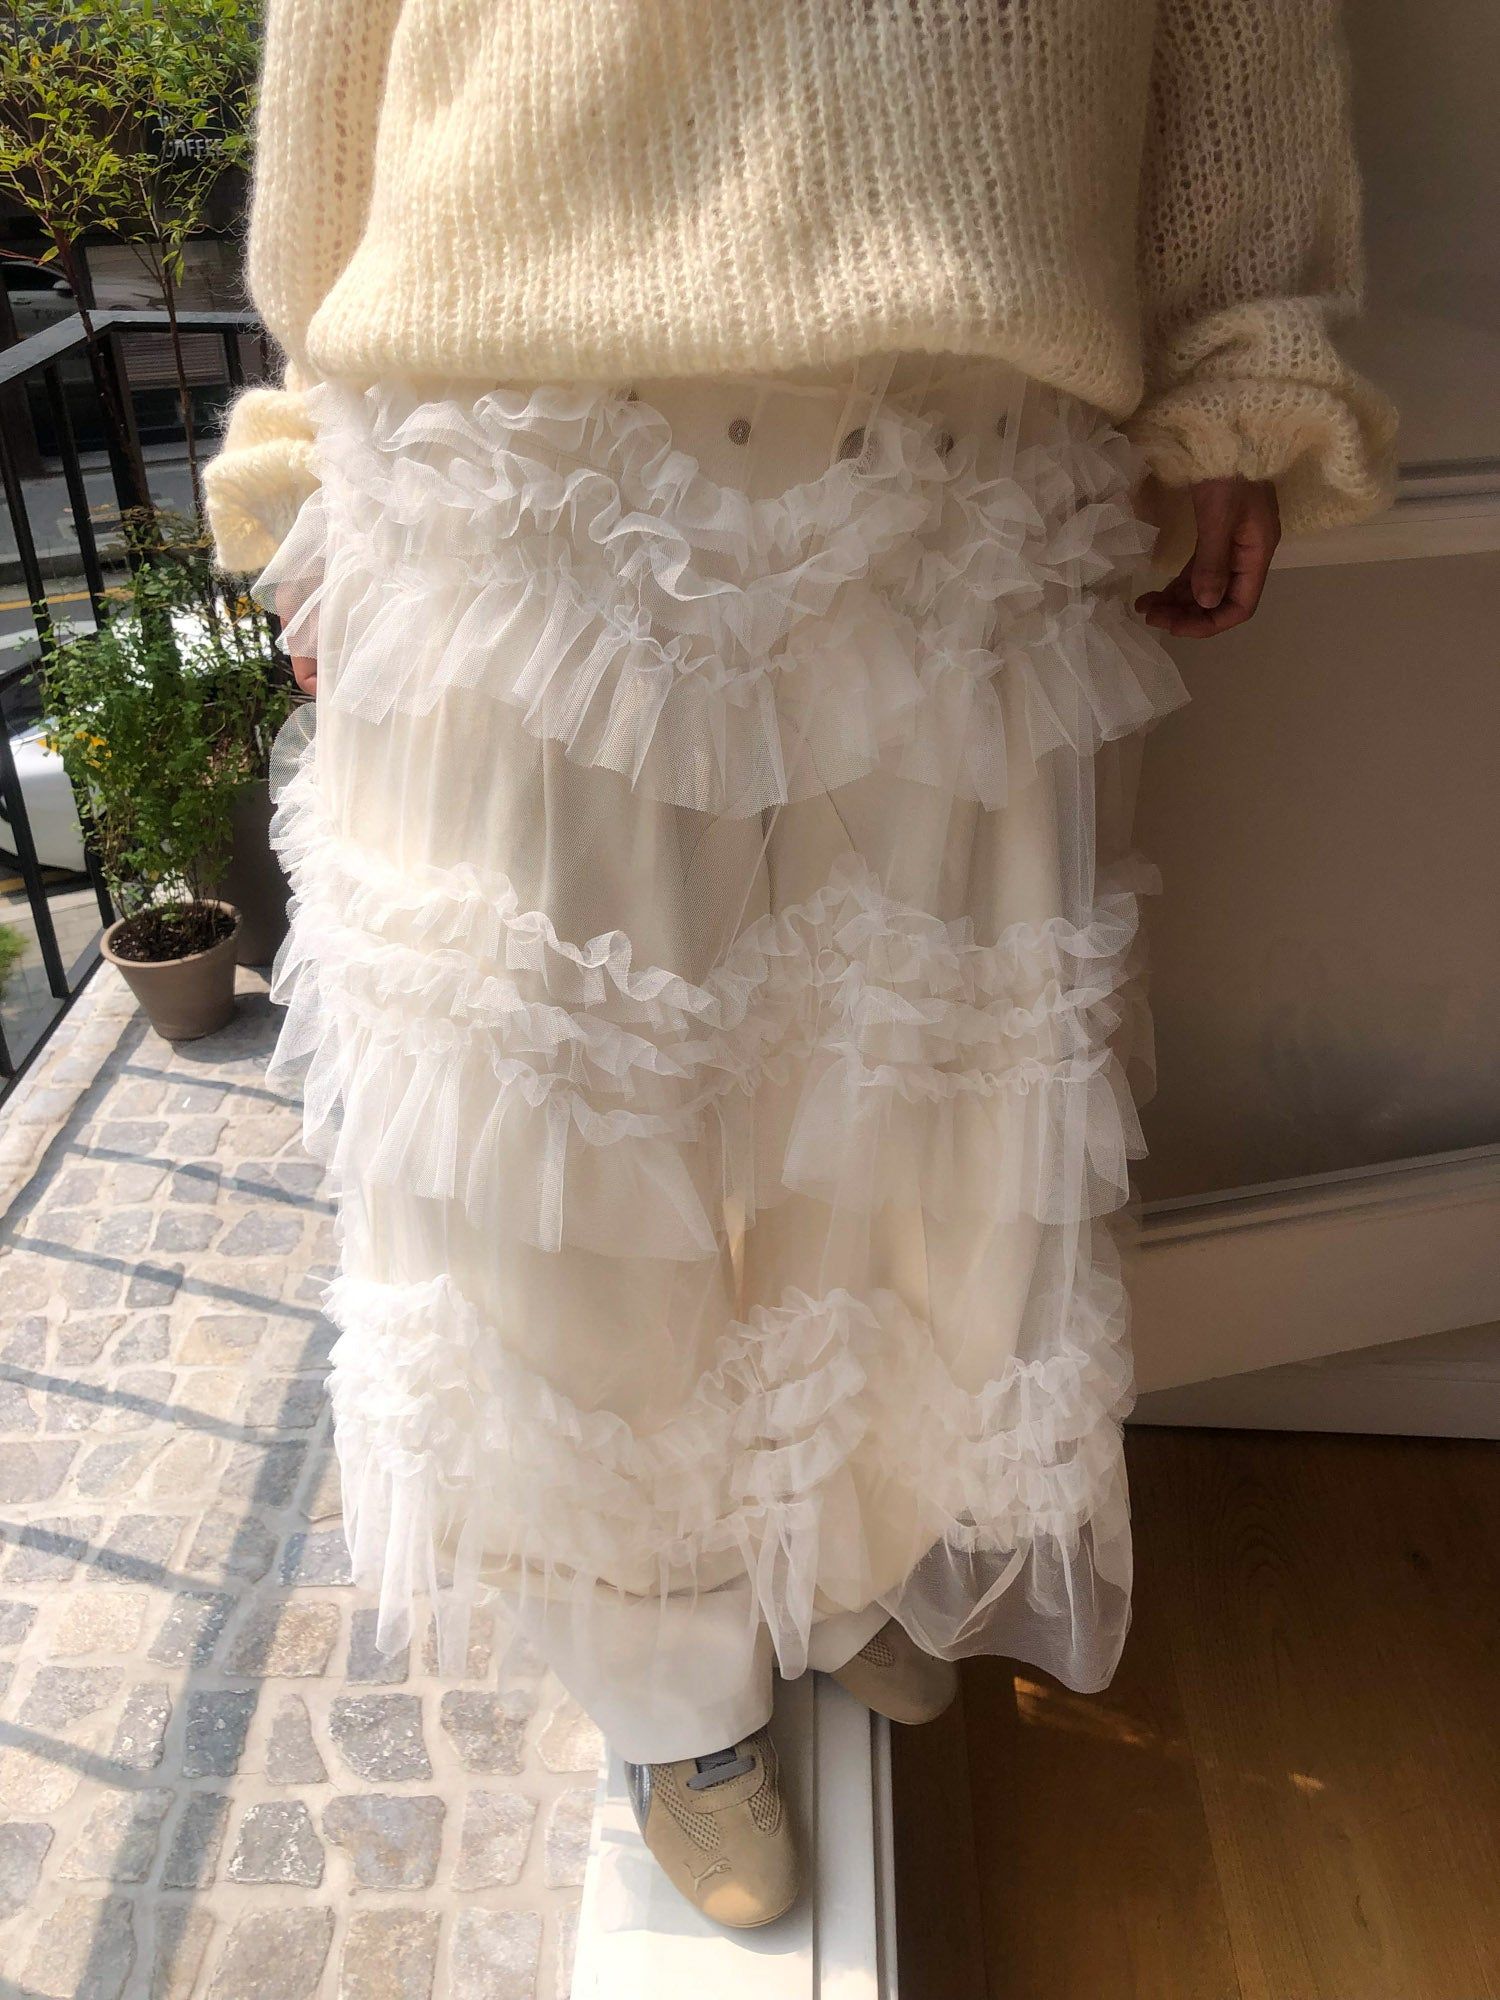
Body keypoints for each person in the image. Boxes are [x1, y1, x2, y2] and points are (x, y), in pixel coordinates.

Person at [203, 0, 1395, 1930]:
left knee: (900, 1100)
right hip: (532, 404)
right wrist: (307, 428)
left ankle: (839, 1556)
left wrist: (1245, 352)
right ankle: (668, 1669)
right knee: (570, 1124)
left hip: (960, 410)